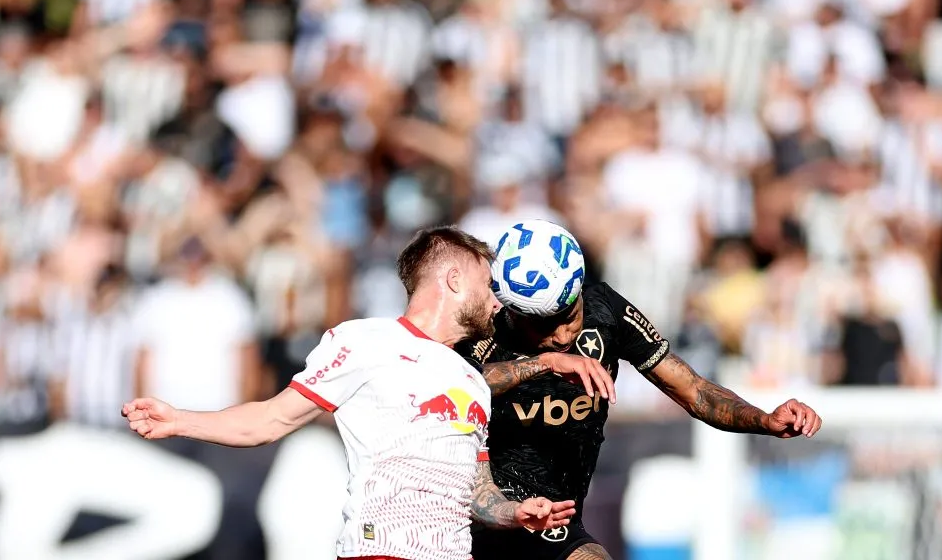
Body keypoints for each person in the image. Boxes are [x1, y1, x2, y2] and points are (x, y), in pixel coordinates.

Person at [122, 226, 593, 560]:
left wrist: (515, 513)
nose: (500, 298)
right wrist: (181, 419)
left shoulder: (472, 377)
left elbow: (476, 485)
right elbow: (271, 419)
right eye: (489, 284)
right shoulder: (365, 341)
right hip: (383, 552)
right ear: (452, 280)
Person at [454, 221, 824, 560]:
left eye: (569, 316)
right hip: (479, 517)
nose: (563, 335)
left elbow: (693, 390)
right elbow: (449, 386)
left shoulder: (607, 310)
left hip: (555, 518)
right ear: (514, 313)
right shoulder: (484, 331)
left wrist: (765, 419)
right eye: (544, 326)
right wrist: (542, 363)